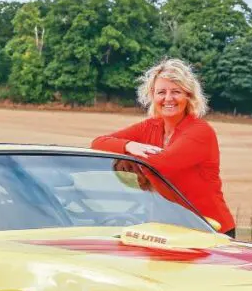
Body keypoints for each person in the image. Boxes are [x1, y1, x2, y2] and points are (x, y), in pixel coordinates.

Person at [91, 58, 236, 237]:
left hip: (209, 228)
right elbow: (98, 142)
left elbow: (162, 165)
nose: (168, 98)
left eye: (176, 92)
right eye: (161, 92)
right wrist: (129, 145)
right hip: (168, 226)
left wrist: (128, 155)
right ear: (152, 96)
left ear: (188, 95)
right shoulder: (149, 126)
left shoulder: (200, 131)